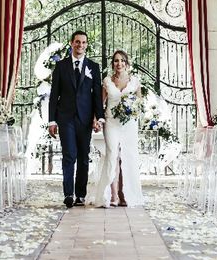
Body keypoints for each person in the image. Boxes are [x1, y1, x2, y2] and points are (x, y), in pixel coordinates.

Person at [48, 31, 104, 208]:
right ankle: (68, 194)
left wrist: (99, 118)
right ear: (71, 43)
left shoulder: (93, 67)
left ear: (86, 45)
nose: (80, 45)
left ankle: (80, 194)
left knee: (83, 157)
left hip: (85, 119)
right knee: (69, 155)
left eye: (84, 42)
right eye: (77, 42)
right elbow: (53, 95)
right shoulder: (61, 66)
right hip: (65, 118)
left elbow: (96, 96)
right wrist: (52, 121)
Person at [94, 50, 145, 208]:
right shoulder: (107, 81)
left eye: (122, 60)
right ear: (113, 64)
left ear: (127, 63)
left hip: (129, 124)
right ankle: (113, 195)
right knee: (112, 156)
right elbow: (100, 104)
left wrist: (132, 110)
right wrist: (96, 120)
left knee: (127, 157)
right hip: (111, 123)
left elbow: (139, 103)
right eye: (116, 61)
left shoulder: (135, 81)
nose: (119, 64)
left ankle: (126, 194)